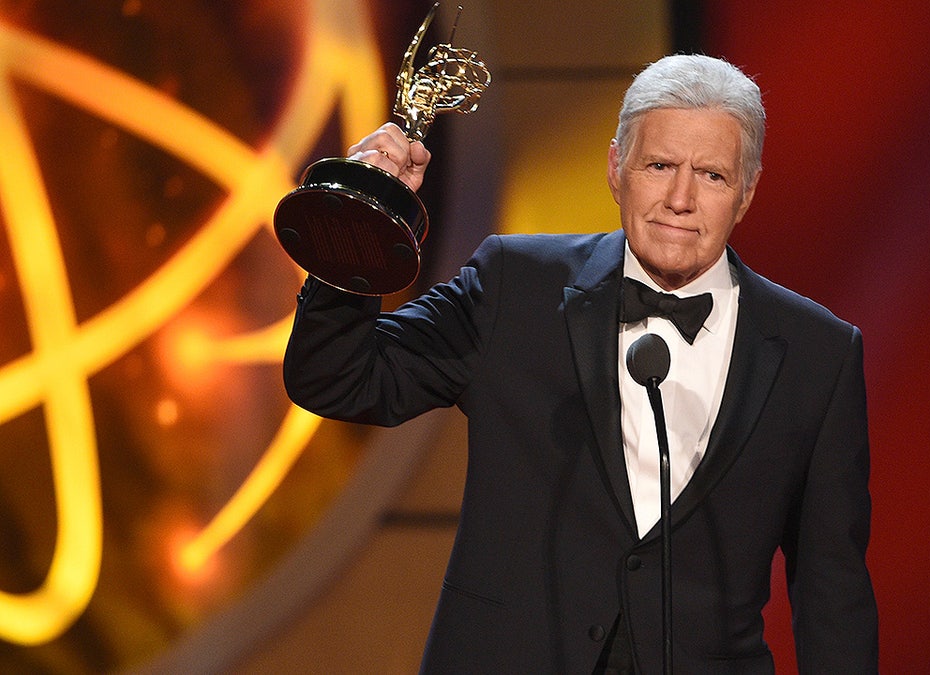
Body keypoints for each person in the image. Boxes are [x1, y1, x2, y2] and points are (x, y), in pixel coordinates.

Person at [283, 54, 877, 674]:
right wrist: (353, 225)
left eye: (712, 176)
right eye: (660, 166)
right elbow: (338, 379)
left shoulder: (819, 354)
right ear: (616, 168)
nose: (680, 198)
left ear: (747, 191)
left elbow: (832, 593)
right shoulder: (516, 285)